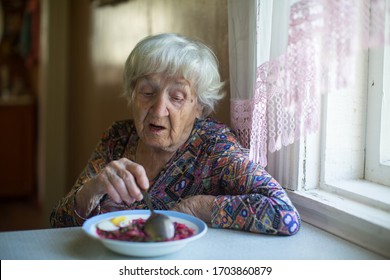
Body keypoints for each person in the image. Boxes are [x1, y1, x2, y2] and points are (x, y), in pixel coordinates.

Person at [50, 33, 300, 235]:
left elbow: (284, 213)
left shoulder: (214, 147)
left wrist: (196, 207)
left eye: (177, 97)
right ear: (132, 95)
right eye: (147, 92)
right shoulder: (118, 137)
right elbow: (58, 223)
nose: (159, 109)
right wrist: (92, 189)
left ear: (199, 106)